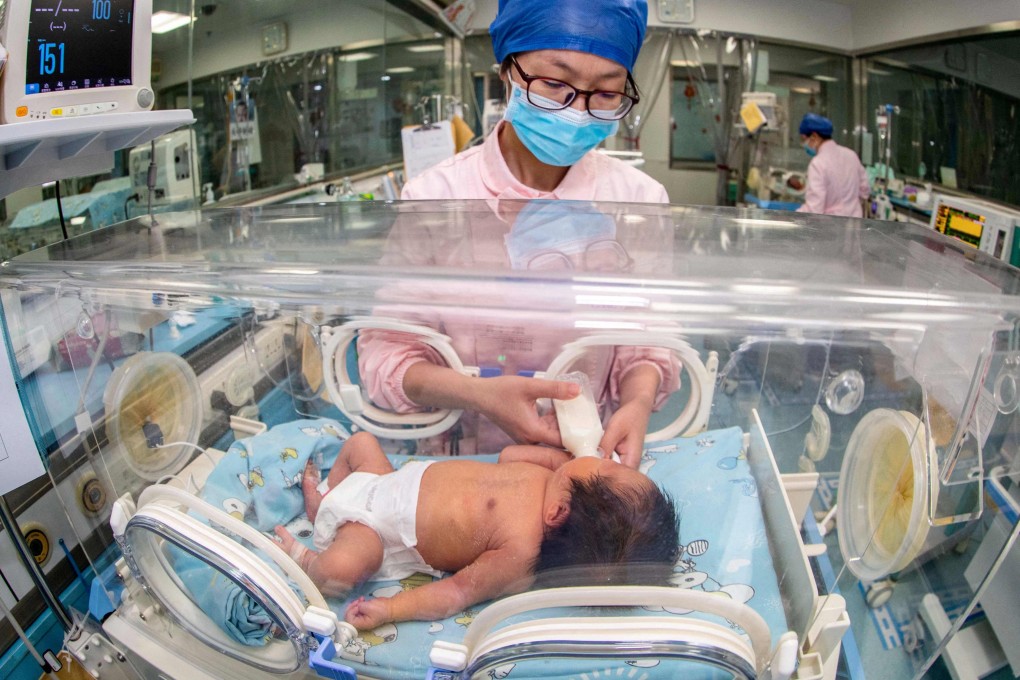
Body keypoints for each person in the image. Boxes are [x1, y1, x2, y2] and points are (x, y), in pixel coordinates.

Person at [356, 200, 680, 467]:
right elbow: (389, 353)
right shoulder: (437, 198)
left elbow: (645, 332)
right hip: (460, 458)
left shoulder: (635, 197)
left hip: (592, 446)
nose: (578, 117)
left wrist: (637, 402)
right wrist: (476, 394)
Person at [274, 431, 680, 629]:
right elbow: (507, 456)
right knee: (361, 441)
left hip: (376, 531)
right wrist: (561, 456)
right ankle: (324, 504)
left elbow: (457, 593)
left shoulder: (520, 554)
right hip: (384, 478)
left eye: (607, 468)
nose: (605, 458)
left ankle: (309, 556)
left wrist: (393, 609)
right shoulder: (551, 478)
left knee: (340, 570)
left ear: (558, 512)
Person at [400, 0, 667, 203]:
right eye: (554, 83)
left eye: (607, 93)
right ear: (506, 71)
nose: (577, 114)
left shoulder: (640, 200)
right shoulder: (431, 197)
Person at [795, 113, 870, 218]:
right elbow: (865, 190)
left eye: (804, 139)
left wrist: (790, 217)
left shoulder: (818, 163)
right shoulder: (851, 155)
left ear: (814, 136)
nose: (804, 144)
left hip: (830, 227)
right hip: (854, 224)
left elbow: (814, 209)